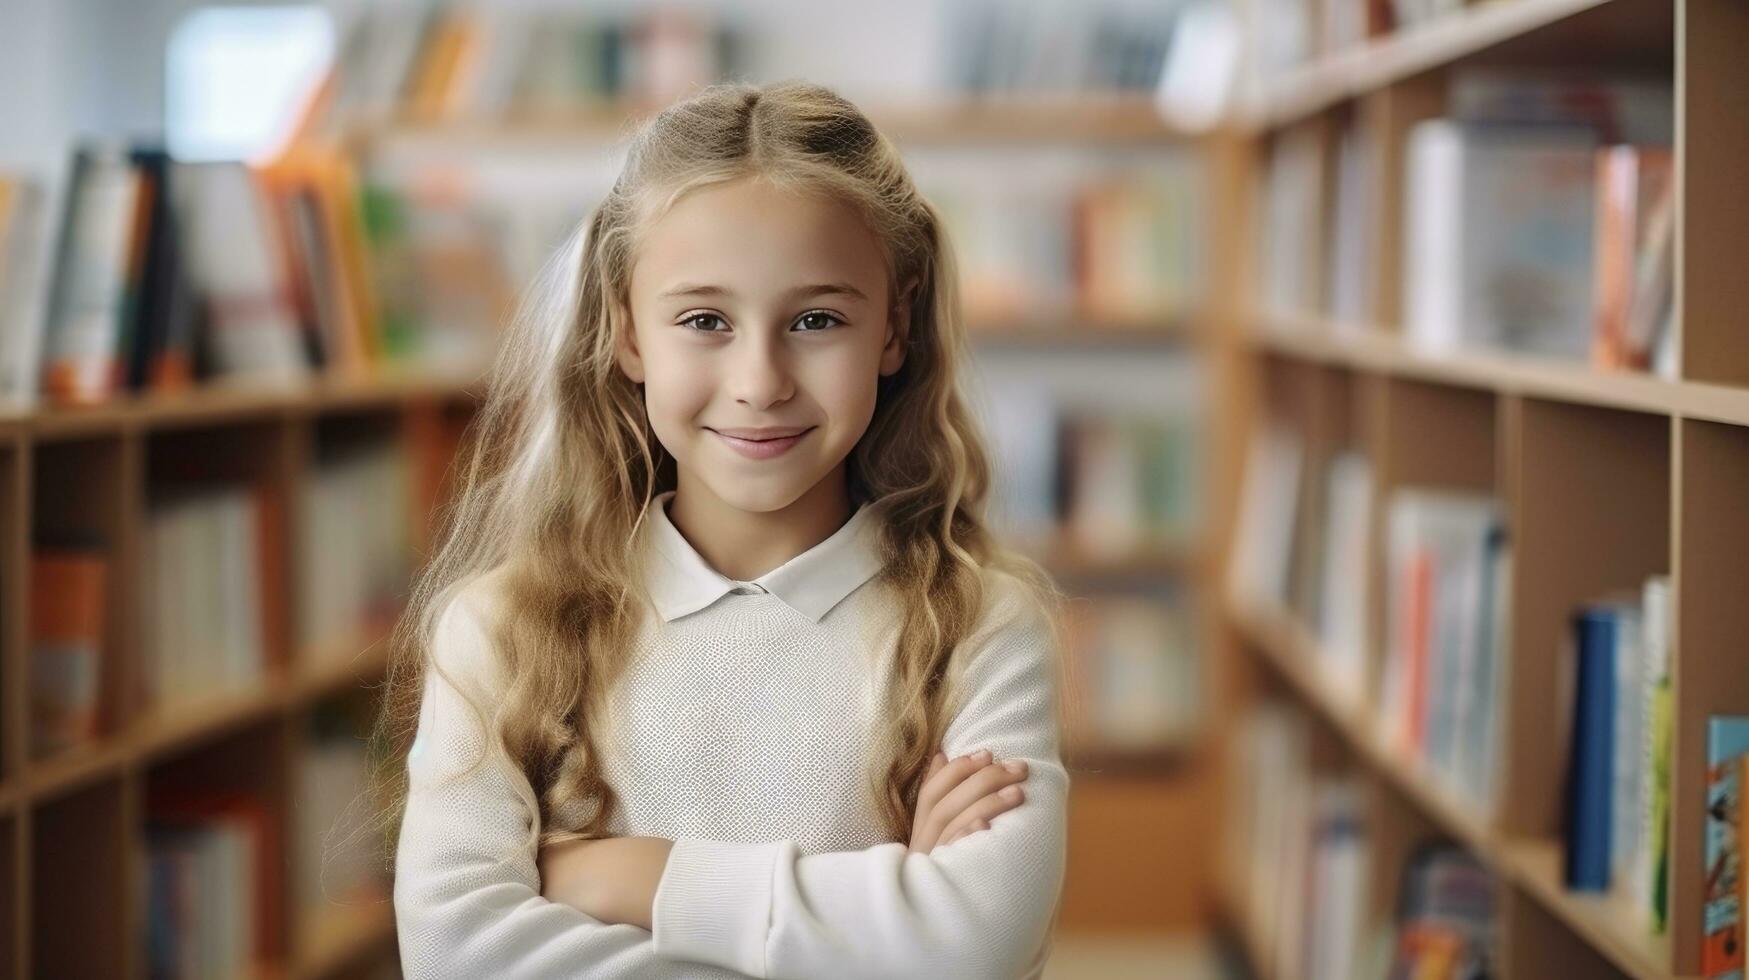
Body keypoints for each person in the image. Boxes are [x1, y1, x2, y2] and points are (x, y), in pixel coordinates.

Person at [381, 79, 1075, 979]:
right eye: (704, 320)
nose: (760, 381)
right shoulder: (502, 629)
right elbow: (454, 949)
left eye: (816, 320)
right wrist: (884, 915)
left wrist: (628, 875)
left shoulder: (979, 626)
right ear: (626, 332)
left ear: (893, 329)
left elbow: (976, 941)